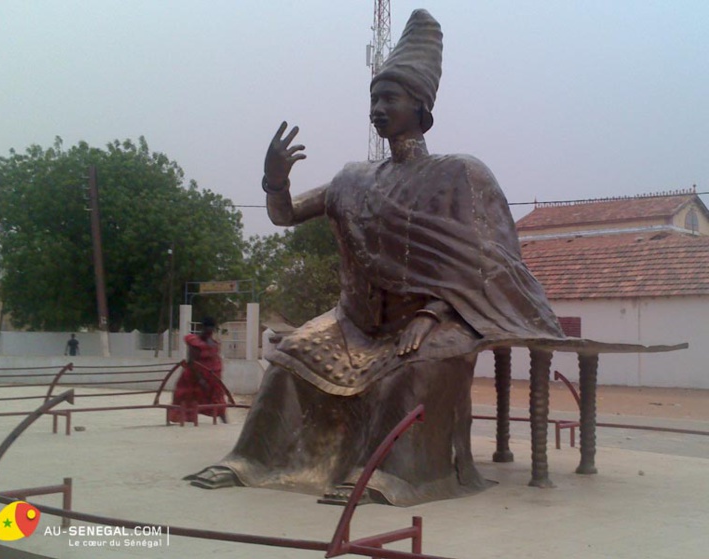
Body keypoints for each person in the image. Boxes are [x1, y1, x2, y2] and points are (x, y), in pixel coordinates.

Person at [186, 10, 563, 506]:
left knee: (412, 370)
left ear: (421, 107)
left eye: (390, 98)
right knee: (288, 358)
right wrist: (275, 179)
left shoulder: (459, 174)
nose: (378, 108)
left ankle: (388, 475)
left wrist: (430, 315)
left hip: (436, 321)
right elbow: (286, 215)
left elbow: (485, 270)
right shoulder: (352, 179)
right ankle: (249, 462)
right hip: (354, 323)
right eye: (374, 99)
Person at [168, 317, 227, 424]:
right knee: (186, 398)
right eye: (207, 329)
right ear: (202, 328)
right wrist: (200, 380)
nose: (208, 332)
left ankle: (224, 420)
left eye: (211, 330)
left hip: (212, 378)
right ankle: (184, 419)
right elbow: (192, 362)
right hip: (194, 377)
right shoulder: (195, 342)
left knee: (217, 398)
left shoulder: (213, 343)